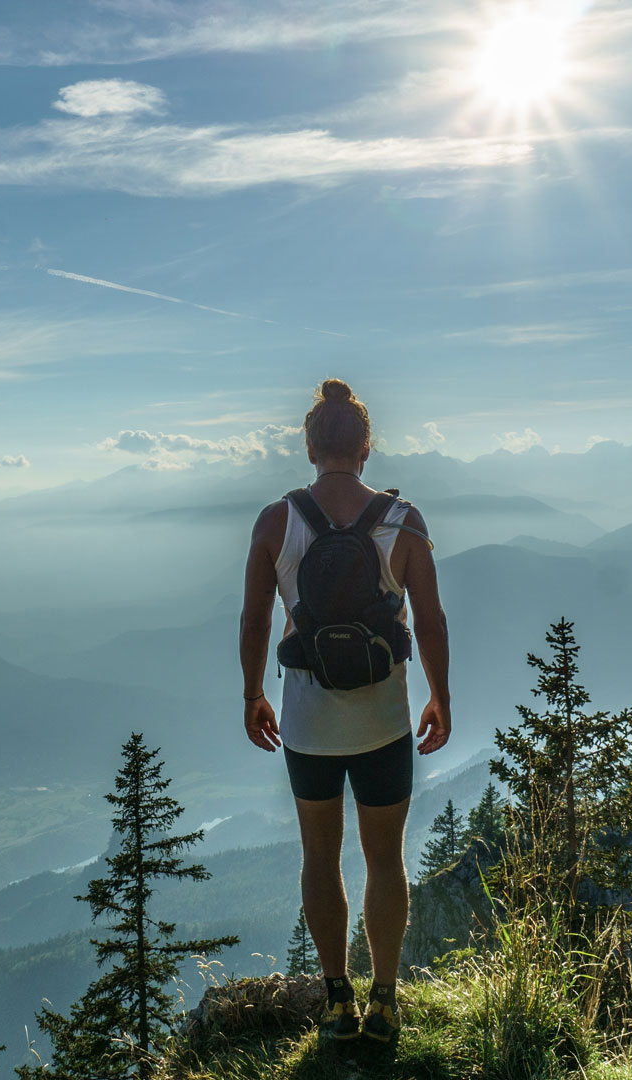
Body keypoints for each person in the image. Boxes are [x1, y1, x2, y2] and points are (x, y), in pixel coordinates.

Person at [238, 378, 452, 1045]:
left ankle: (337, 1002)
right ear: (365, 447)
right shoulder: (404, 521)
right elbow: (432, 619)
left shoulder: (278, 521)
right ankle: (385, 1000)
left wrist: (252, 694)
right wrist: (441, 695)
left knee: (319, 855)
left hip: (309, 725)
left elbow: (255, 616)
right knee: (385, 860)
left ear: (310, 447)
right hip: (384, 721)